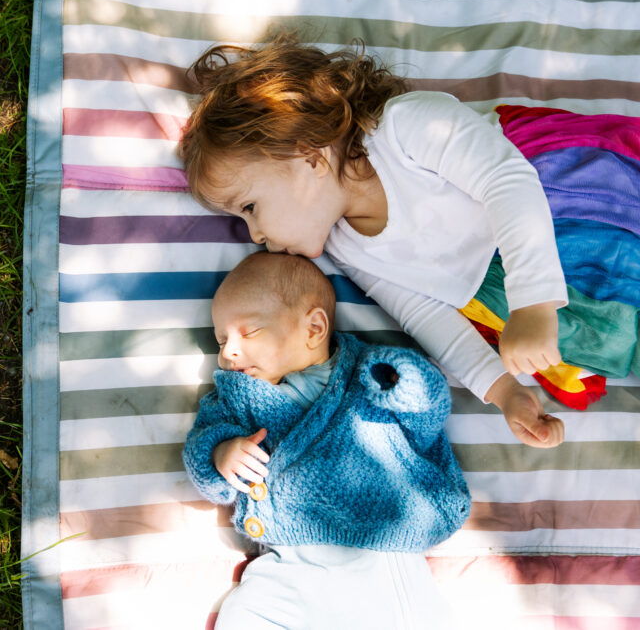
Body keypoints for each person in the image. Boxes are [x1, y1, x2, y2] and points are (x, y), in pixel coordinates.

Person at [178, 34, 640, 448]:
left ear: (304, 155)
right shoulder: (346, 249)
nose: (254, 235)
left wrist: (535, 301)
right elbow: (426, 314)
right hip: (574, 295)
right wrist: (503, 390)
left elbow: (508, 181)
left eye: (250, 208)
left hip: (572, 198)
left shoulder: (405, 128)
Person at [183, 251, 469, 629]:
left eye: (248, 332)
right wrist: (221, 454)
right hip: (287, 563)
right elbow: (201, 447)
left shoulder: (369, 373)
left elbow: (429, 416)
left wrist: (407, 382)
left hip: (380, 555)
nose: (229, 352)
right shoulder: (235, 398)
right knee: (242, 615)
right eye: (220, 341)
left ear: (314, 329)